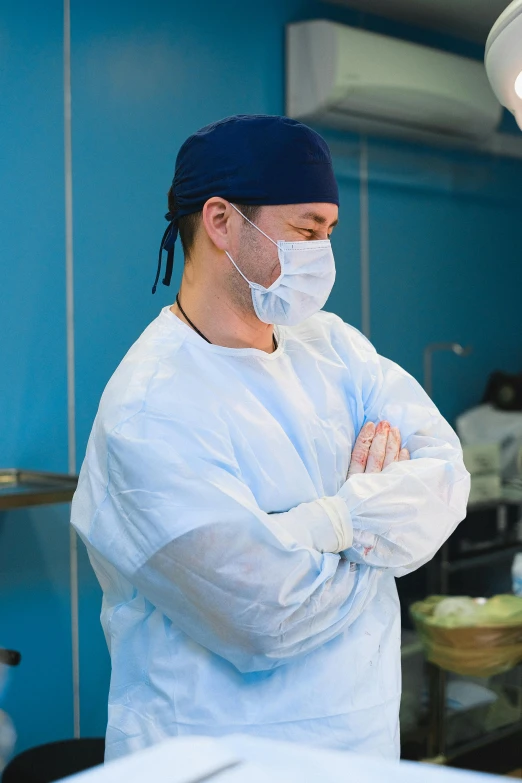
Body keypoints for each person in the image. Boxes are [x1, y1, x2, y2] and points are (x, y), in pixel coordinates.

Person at [70, 114, 470, 763]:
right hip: (217, 759)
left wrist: (309, 528)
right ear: (222, 221)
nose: (323, 254)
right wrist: (362, 525)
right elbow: (263, 619)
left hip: (363, 746)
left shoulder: (335, 346)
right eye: (306, 230)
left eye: (329, 231)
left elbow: (445, 479)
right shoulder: (149, 409)